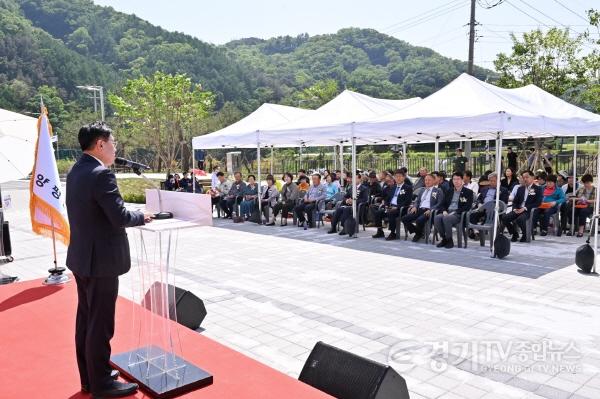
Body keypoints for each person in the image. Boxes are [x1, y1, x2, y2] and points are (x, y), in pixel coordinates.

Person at [66, 122, 153, 398]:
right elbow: (119, 217)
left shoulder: (77, 170)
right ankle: (102, 384)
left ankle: (90, 378)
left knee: (86, 320)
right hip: (101, 261)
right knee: (100, 324)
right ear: (100, 144)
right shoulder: (101, 174)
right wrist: (143, 216)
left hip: (82, 258)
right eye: (112, 142)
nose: (115, 148)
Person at [434, 172, 474, 248]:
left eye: (458, 179)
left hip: (458, 214)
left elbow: (467, 207)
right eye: (454, 179)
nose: (456, 181)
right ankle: (444, 239)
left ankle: (450, 240)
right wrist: (444, 211)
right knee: (437, 218)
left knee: (446, 218)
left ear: (462, 180)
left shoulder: (468, 192)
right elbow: (443, 204)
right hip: (447, 212)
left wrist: (455, 212)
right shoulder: (449, 191)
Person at [501, 170, 543, 242]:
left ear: (532, 177)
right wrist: (514, 209)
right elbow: (515, 201)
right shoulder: (520, 189)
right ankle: (514, 233)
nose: (525, 179)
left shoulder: (538, 189)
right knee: (504, 217)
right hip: (518, 209)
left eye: (527, 177)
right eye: (523, 177)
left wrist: (525, 208)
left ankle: (525, 234)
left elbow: (538, 203)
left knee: (520, 219)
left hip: (529, 210)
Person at [372, 169, 413, 240]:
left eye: (400, 176)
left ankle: (392, 233)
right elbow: (388, 199)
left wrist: (397, 207)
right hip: (390, 207)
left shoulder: (408, 188)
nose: (398, 178)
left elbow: (407, 202)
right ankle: (380, 231)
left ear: (404, 177)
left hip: (401, 209)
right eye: (396, 176)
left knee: (391, 213)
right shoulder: (393, 187)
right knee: (378, 213)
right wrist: (386, 205)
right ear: (394, 177)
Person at [402, 174, 445, 242]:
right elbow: (417, 201)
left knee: (419, 220)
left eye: (429, 180)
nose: (427, 182)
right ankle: (419, 233)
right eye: (426, 180)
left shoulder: (438, 190)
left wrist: (431, 210)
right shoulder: (422, 190)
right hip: (419, 209)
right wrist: (415, 206)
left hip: (428, 211)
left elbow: (439, 203)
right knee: (404, 218)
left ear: (433, 181)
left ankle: (418, 234)